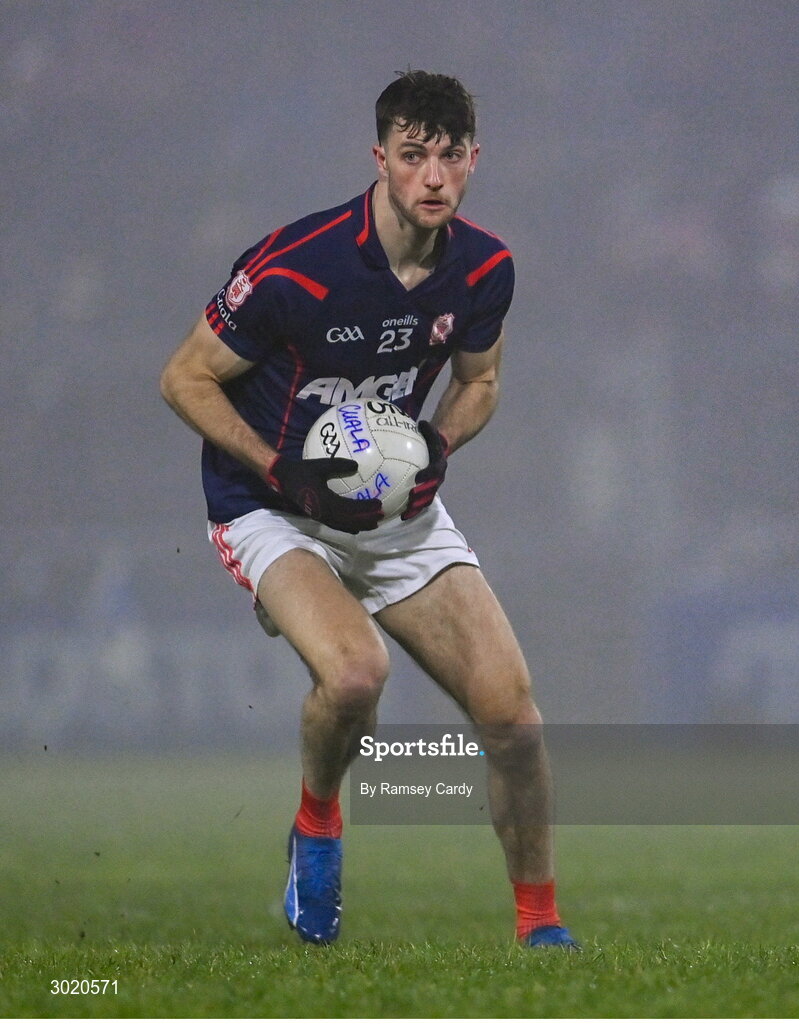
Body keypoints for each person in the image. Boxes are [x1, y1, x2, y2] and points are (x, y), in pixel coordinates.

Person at [160, 70, 578, 949]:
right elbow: (184, 378)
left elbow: (480, 382)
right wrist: (280, 466)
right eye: (414, 155)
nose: (434, 176)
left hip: (392, 509)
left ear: (474, 161)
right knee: (355, 675)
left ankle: (541, 928)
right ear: (379, 158)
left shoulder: (484, 267)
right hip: (271, 505)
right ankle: (318, 824)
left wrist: (436, 448)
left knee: (513, 720)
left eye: (451, 157)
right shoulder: (295, 266)